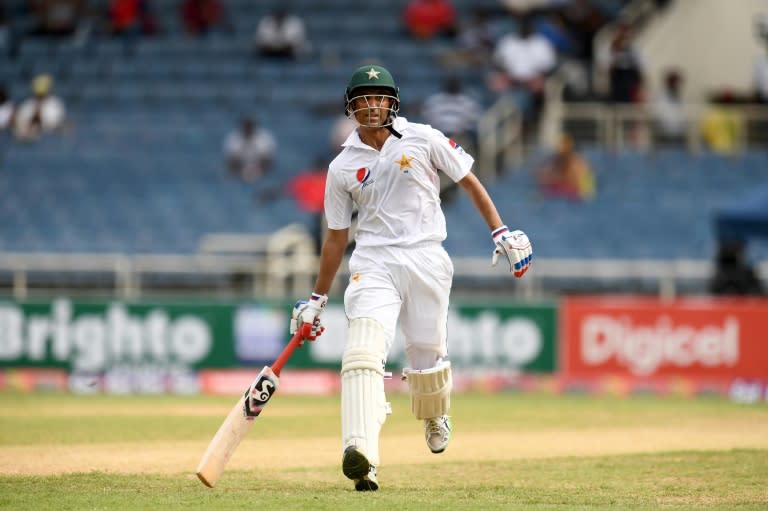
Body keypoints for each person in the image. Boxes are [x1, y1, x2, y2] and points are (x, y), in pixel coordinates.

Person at [287, 65, 532, 491]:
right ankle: (361, 452)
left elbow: (469, 180)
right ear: (351, 107)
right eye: (363, 98)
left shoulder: (424, 136)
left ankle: (435, 412)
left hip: (426, 256)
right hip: (373, 262)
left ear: (392, 101)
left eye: (379, 96)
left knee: (426, 355)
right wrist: (316, 299)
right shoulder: (342, 167)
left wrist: (500, 230)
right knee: (362, 351)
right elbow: (335, 238)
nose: (371, 104)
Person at [535, 133, 595, 201]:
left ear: (570, 146)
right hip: (563, 191)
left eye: (562, 146)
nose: (559, 149)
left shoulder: (578, 163)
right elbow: (543, 175)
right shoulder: (557, 160)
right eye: (559, 146)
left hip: (575, 193)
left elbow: (588, 189)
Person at [13, 74, 66, 142]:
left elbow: (54, 125)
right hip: (28, 139)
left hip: (49, 140)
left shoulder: (55, 104)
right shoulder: (28, 104)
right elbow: (20, 124)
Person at [223, 117, 276, 182]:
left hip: (260, 168)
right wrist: (244, 170)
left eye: (250, 129)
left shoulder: (264, 137)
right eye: (246, 129)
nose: (248, 131)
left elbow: (267, 159)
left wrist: (256, 170)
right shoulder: (234, 138)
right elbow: (232, 159)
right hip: (240, 168)